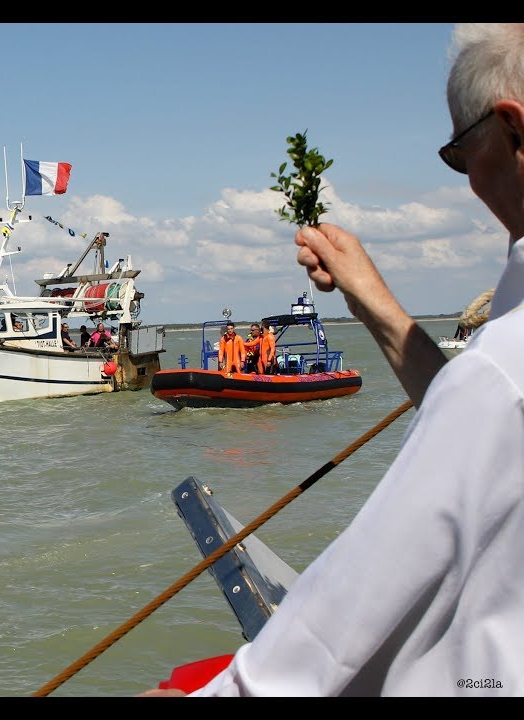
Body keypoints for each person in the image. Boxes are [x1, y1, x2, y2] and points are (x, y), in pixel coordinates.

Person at [174, 23, 524, 697]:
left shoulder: (498, 375)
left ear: (512, 131)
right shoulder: (491, 381)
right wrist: (370, 298)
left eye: (460, 154)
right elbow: (488, 427)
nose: (467, 183)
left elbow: (327, 639)